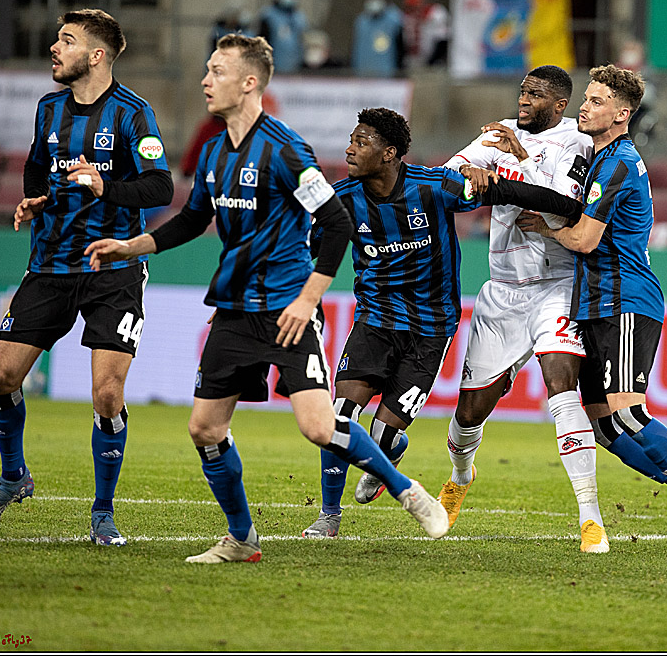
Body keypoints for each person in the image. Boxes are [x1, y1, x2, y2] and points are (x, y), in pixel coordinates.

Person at [83, 35, 448, 563]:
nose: (205, 80)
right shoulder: (213, 151)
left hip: (285, 309)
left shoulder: (285, 150)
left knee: (319, 427)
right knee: (205, 428)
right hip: (233, 309)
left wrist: (308, 299)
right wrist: (131, 246)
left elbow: (336, 223)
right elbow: (192, 218)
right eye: (207, 69)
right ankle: (241, 539)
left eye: (217, 71)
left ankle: (407, 491)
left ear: (249, 82)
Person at [503, 65, 667, 557]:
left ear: (622, 114)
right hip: (594, 303)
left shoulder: (618, 163)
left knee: (628, 414)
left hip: (625, 299)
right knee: (604, 427)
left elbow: (586, 239)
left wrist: (546, 230)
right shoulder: (600, 157)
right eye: (585, 98)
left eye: (595, 101)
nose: (584, 107)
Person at [0, 9, 173, 545]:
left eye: (67, 40)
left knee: (107, 393)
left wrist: (106, 188)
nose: (55, 48)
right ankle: (13, 476)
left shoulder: (133, 114)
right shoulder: (49, 108)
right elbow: (37, 165)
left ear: (96, 55)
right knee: (2, 377)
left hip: (113, 269)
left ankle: (102, 512)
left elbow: (160, 188)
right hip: (50, 266)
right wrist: (35, 198)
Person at [435, 65, 610, 553]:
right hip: (504, 291)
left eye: (535, 94)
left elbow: (563, 207)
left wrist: (521, 160)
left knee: (561, 383)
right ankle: (461, 475)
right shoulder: (499, 133)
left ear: (559, 105)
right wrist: (469, 175)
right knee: (470, 412)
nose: (524, 100)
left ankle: (591, 518)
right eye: (522, 91)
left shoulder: (577, 142)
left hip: (557, 285)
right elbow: (448, 178)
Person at [301, 108, 486, 538]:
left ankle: (391, 449)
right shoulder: (341, 200)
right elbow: (303, 247)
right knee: (339, 416)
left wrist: (493, 177)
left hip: (431, 329)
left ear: (389, 153)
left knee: (383, 433)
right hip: (376, 320)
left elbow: (492, 191)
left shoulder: (432, 186)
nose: (349, 149)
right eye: (351, 140)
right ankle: (329, 515)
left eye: (361, 142)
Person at [351, 0, 404, 77]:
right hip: (362, 72)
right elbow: (355, 48)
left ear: (385, 1)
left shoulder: (395, 19)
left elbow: (401, 48)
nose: (374, 3)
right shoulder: (361, 21)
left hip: (387, 73)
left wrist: (398, 72)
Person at [258, 0, 308, 74]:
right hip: (274, 67)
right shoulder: (269, 15)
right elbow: (262, 41)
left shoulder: (299, 17)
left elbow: (302, 41)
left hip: (295, 67)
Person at [402, 0, 449, 68]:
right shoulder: (406, 16)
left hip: (433, 63)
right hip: (411, 63)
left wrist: (431, 62)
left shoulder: (436, 13)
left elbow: (442, 40)